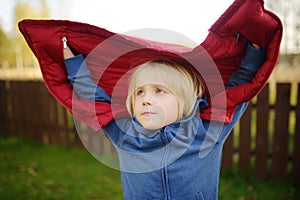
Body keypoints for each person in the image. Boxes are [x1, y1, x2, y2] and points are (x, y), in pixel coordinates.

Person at [63, 40, 265, 199]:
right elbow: (94, 97)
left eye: (159, 90)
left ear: (184, 98)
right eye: (139, 93)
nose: (146, 100)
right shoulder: (125, 135)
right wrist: (70, 58)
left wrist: (255, 48)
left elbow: (239, 86)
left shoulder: (207, 132)